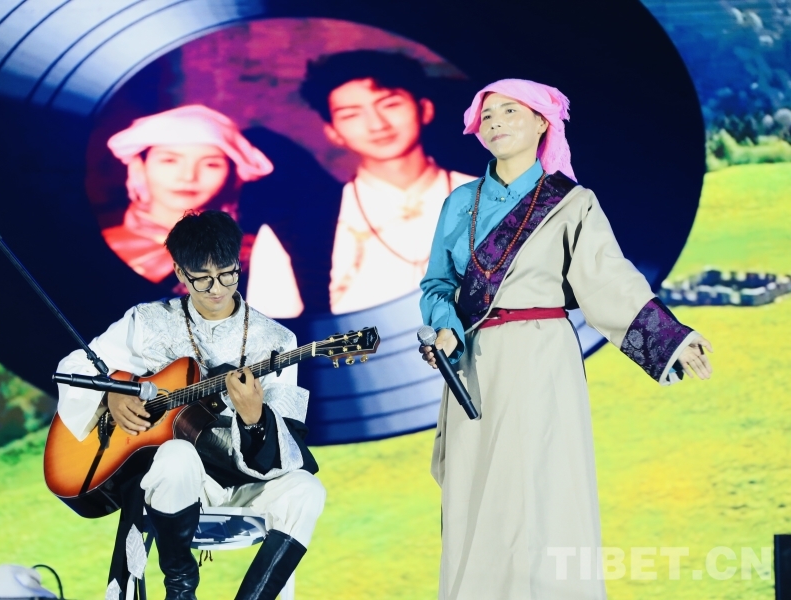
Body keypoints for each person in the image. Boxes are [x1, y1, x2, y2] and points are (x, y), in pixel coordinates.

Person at [418, 79, 714, 599]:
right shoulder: (459, 202)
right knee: (474, 489)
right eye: (487, 115)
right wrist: (445, 325)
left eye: (510, 110)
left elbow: (607, 279)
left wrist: (670, 338)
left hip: (540, 355)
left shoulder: (571, 203)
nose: (495, 121)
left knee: (542, 485)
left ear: (542, 122)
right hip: (472, 362)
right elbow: (437, 284)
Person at [57, 211, 325, 600]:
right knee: (176, 454)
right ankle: (180, 591)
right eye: (202, 278)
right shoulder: (148, 322)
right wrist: (112, 393)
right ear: (181, 273)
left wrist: (254, 417)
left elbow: (288, 443)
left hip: (248, 480)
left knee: (307, 490)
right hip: (179, 483)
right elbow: (75, 368)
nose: (217, 289)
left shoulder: (277, 341)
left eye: (228, 274)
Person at [245, 50, 475, 316]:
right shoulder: (290, 230)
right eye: (351, 115)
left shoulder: (500, 200)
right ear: (333, 132)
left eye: (390, 105)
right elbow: (273, 336)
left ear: (425, 109)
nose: (377, 124)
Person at [103, 105, 298, 305]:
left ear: (232, 174)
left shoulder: (254, 253)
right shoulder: (101, 245)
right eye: (169, 160)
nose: (188, 176)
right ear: (139, 167)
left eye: (211, 164)